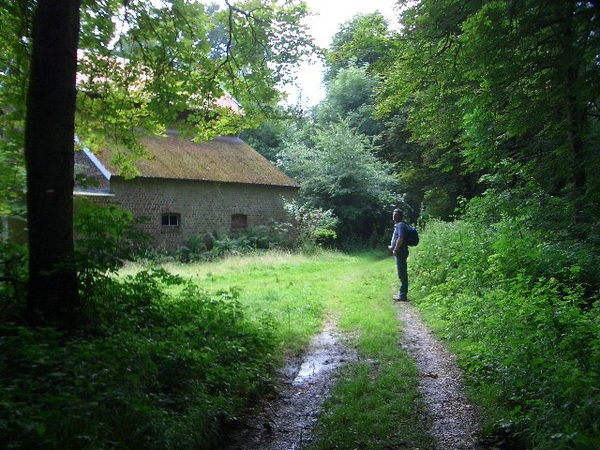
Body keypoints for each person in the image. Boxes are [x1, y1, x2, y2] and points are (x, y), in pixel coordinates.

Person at [389, 208, 409, 301]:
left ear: (400, 216)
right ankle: (402, 294)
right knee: (401, 272)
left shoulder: (401, 225)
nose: (394, 215)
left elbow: (400, 238)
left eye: (396, 214)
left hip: (401, 251)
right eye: (393, 214)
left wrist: (396, 249)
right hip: (400, 251)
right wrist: (392, 246)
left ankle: (402, 295)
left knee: (402, 273)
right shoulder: (399, 225)